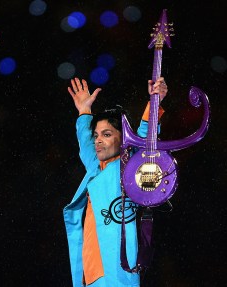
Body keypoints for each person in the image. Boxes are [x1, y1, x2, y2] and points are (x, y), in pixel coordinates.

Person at [63, 77, 168, 287]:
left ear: (123, 139)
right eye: (97, 135)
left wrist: (154, 103)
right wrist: (84, 112)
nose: (98, 140)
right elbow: (86, 144)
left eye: (107, 134)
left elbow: (146, 138)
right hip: (90, 275)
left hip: (119, 274)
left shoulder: (129, 166)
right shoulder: (95, 169)